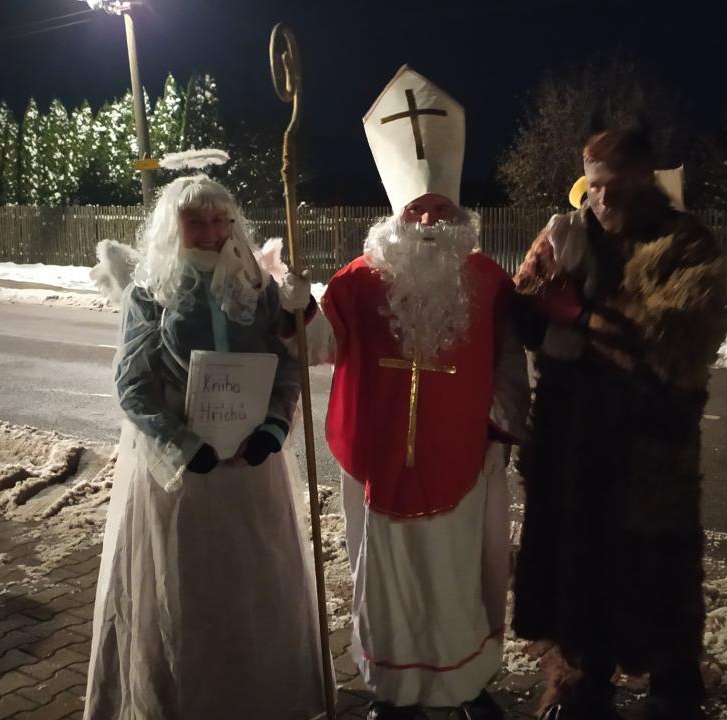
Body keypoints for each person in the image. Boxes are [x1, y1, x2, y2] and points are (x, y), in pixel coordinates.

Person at [301, 66, 529, 720]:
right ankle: (393, 692)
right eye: (415, 210)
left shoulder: (488, 281)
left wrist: (502, 431)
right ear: (396, 217)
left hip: (461, 458)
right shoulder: (356, 280)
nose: (428, 220)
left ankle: (465, 685)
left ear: (459, 216)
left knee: (458, 576)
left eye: (440, 210)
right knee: (388, 580)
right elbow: (318, 346)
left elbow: (509, 362)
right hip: (379, 463)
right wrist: (294, 306)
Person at [83, 167, 323, 719]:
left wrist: (274, 426)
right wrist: (181, 444)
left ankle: (255, 697)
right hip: (180, 469)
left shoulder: (257, 288)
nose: (212, 232)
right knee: (185, 585)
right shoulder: (151, 293)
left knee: (251, 582)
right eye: (197, 221)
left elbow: (288, 366)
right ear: (175, 226)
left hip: (249, 464)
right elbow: (132, 385)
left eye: (221, 220)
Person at [510, 126, 727, 720]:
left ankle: (674, 683)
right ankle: (581, 680)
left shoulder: (682, 242)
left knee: (655, 567)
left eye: (613, 186)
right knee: (578, 560)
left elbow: (682, 340)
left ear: (642, 179)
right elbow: (524, 312)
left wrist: (583, 315)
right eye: (593, 187)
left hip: (647, 444)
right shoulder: (567, 232)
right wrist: (536, 297)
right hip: (572, 439)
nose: (601, 199)